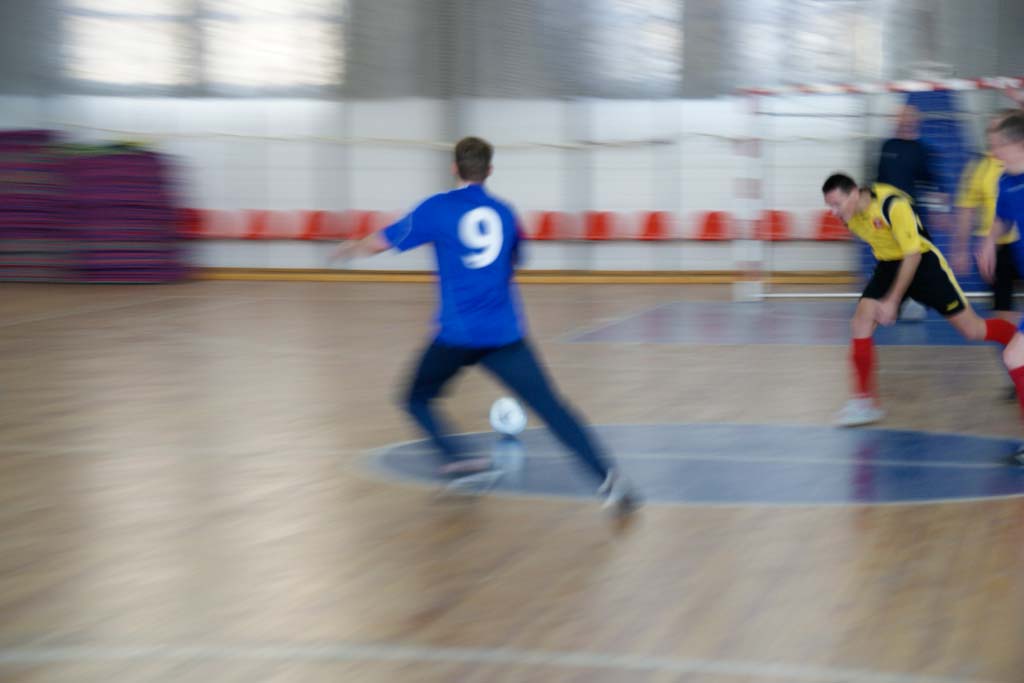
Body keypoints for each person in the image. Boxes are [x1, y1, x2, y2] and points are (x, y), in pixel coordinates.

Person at [330, 136, 640, 512]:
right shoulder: (506, 213)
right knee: (552, 407)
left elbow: (380, 242)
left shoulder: (436, 208)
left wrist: (350, 248)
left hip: (456, 336)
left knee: (414, 398)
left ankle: (459, 460)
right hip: (504, 334)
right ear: (489, 170)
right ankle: (608, 479)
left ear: (454, 167)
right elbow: (516, 259)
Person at [822, 173, 1017, 427]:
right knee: (860, 323)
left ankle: (1018, 339)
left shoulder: (893, 205)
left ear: (855, 193)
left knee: (973, 329)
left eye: (837, 204)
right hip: (888, 265)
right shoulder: (850, 217)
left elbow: (912, 256)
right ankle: (864, 404)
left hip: (922, 264)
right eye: (830, 206)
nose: (834, 212)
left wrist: (893, 301)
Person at [978, 113, 1024, 464]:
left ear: (1018, 144)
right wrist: (989, 242)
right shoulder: (1006, 181)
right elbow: (1002, 218)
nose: (993, 152)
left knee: (1015, 356)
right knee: (1015, 356)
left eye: (998, 145)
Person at [875, 104, 948, 322]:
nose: (905, 120)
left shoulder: (923, 149)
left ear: (916, 120)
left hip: (912, 215)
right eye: (901, 116)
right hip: (887, 216)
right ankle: (892, 301)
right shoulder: (887, 146)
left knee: (915, 258)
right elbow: (879, 181)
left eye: (909, 116)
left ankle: (916, 300)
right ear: (896, 120)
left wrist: (940, 210)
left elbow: (935, 183)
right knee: (891, 257)